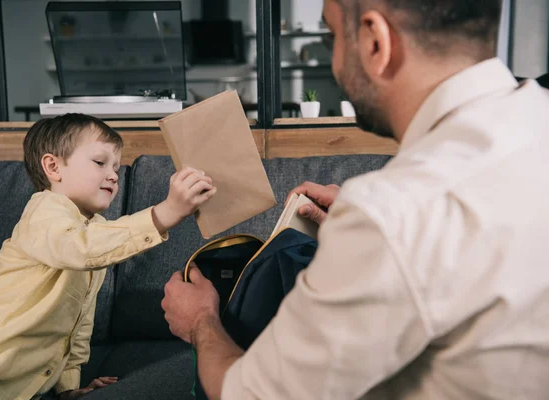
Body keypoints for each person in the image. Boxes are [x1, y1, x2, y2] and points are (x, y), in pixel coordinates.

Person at [161, 0, 549, 398]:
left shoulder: (392, 212)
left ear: (375, 42)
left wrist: (200, 322)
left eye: (332, 36)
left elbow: (250, 394)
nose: (334, 59)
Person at [0, 113, 216, 400]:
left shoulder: (95, 230)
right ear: (53, 167)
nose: (114, 175)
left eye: (115, 166)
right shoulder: (45, 210)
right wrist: (166, 212)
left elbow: (76, 329)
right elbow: (80, 248)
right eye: (100, 162)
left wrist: (68, 389)